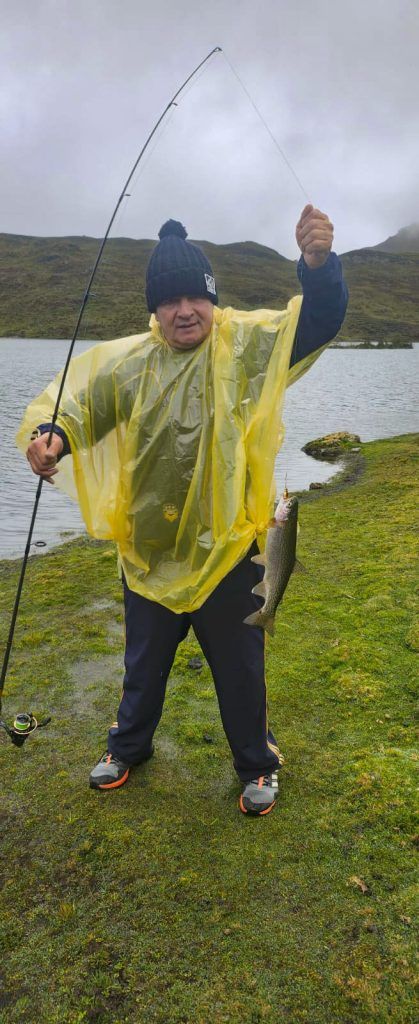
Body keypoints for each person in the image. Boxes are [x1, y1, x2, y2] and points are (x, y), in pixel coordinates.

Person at [22, 204, 348, 816]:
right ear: (155, 309)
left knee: (241, 671)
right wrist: (53, 435)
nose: (184, 310)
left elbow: (317, 322)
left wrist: (318, 265)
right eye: (169, 301)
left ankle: (257, 762)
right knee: (142, 669)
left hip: (229, 549)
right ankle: (128, 747)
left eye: (195, 297)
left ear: (212, 298)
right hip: (149, 551)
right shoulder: (129, 365)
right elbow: (79, 406)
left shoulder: (246, 346)